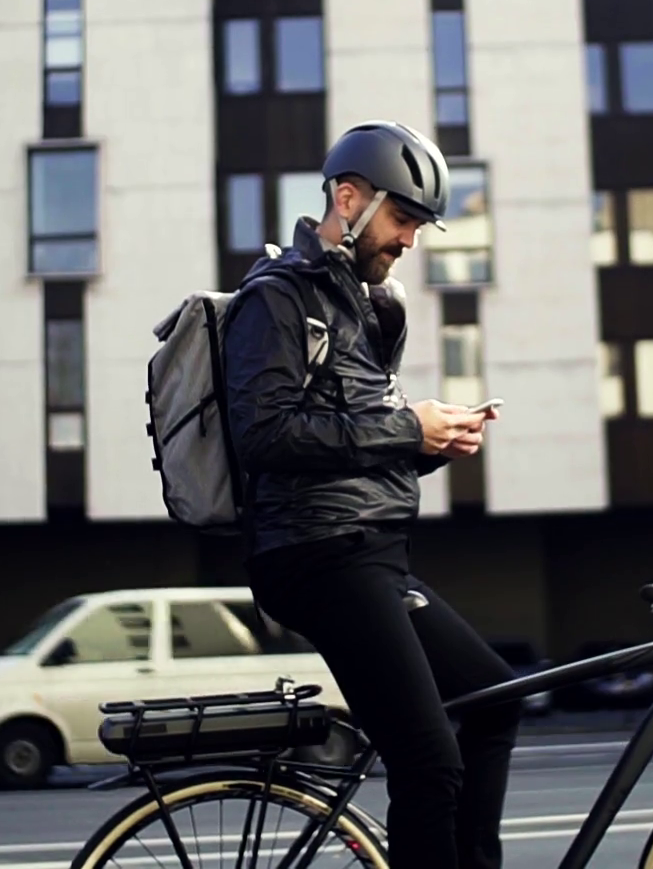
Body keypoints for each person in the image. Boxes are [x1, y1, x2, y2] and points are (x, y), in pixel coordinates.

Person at [223, 121, 520, 869]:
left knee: (493, 697)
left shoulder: (373, 308)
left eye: (418, 227)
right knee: (428, 762)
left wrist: (432, 443)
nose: (410, 242)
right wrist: (405, 429)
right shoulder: (278, 298)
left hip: (370, 550)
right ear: (348, 199)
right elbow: (266, 436)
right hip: (315, 554)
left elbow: (358, 449)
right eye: (403, 220)